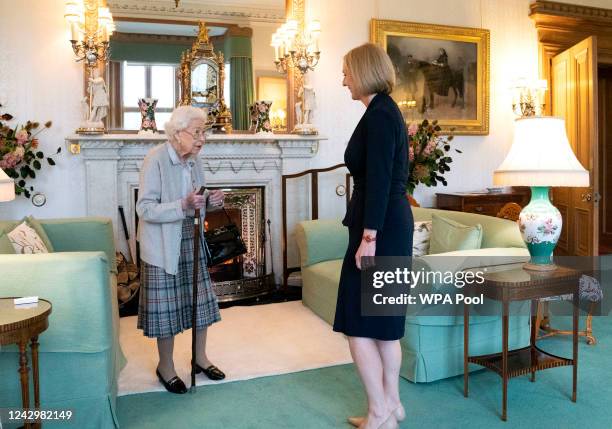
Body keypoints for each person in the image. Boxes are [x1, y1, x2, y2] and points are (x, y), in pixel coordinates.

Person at [335, 43, 413, 429]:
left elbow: (380, 180)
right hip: (386, 224)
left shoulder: (381, 114)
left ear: (363, 71)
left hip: (378, 227)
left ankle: (380, 412)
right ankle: (389, 405)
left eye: (347, 71)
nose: (343, 78)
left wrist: (369, 238)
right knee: (382, 322)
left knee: (360, 324)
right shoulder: (383, 111)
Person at [136, 105, 226, 394]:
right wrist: (183, 205)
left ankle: (199, 358)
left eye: (205, 132)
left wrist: (210, 201)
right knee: (167, 309)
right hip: (162, 244)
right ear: (177, 133)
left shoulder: (194, 161)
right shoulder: (156, 159)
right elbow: (145, 209)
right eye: (197, 132)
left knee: (200, 303)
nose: (202, 139)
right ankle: (166, 366)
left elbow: (196, 199)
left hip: (191, 237)